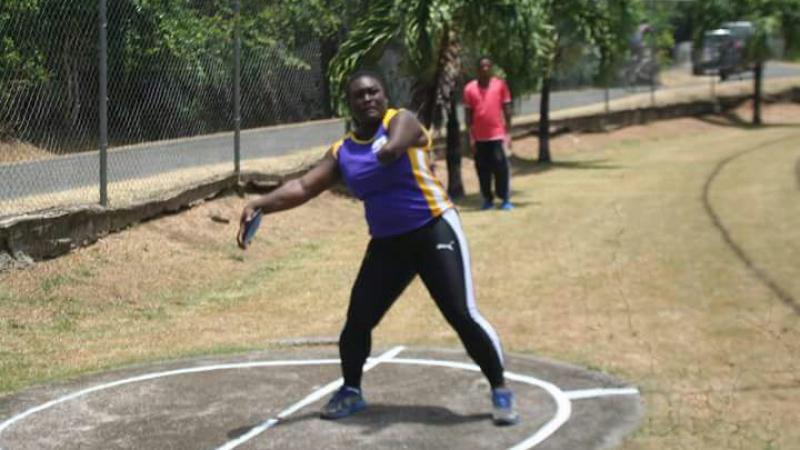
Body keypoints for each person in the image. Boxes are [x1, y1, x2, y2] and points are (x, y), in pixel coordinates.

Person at [237, 70, 519, 426]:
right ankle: (351, 390)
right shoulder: (343, 152)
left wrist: (390, 148)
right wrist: (259, 203)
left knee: (461, 314)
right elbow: (305, 186)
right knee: (358, 321)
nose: (368, 98)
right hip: (388, 243)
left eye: (374, 92)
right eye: (359, 95)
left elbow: (401, 140)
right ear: (349, 104)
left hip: (433, 228)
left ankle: (500, 388)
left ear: (384, 97)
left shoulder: (401, 120)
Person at [463, 56, 514, 211]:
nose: (485, 69)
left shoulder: (500, 85)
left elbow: (507, 110)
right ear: (477, 70)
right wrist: (470, 137)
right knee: (483, 169)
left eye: (487, 66)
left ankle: (504, 198)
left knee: (501, 167)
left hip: (497, 135)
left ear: (491, 68)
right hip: (479, 138)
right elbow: (468, 116)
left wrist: (509, 133)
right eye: (482, 67)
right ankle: (487, 199)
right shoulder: (469, 89)